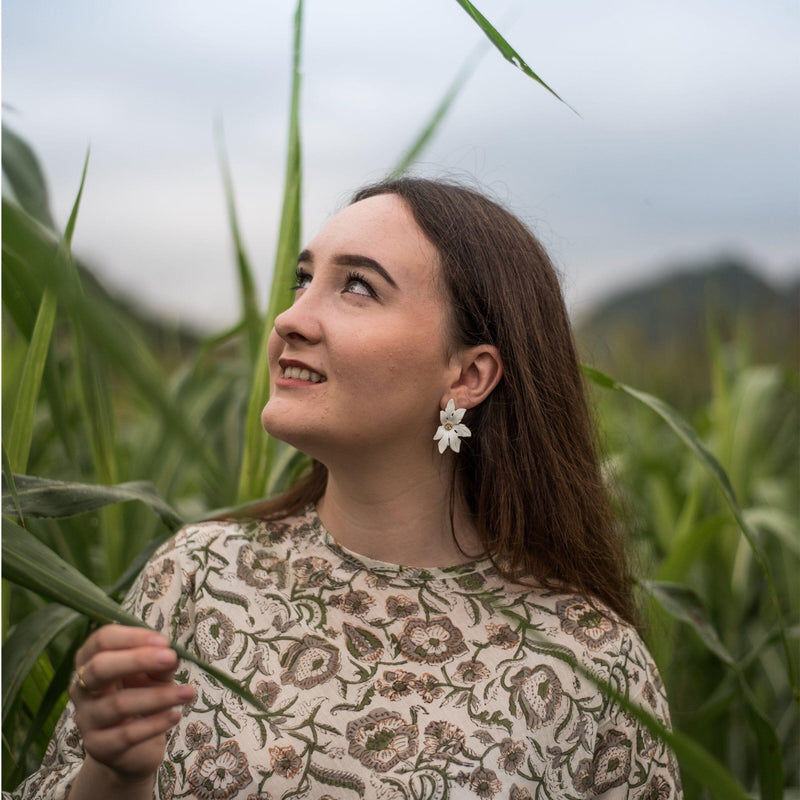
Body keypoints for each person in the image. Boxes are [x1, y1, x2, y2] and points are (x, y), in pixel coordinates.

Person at [9, 178, 682, 800]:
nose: (290, 319)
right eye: (304, 281)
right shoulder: (200, 572)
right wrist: (113, 773)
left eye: (357, 287)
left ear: (468, 376)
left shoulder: (591, 664)